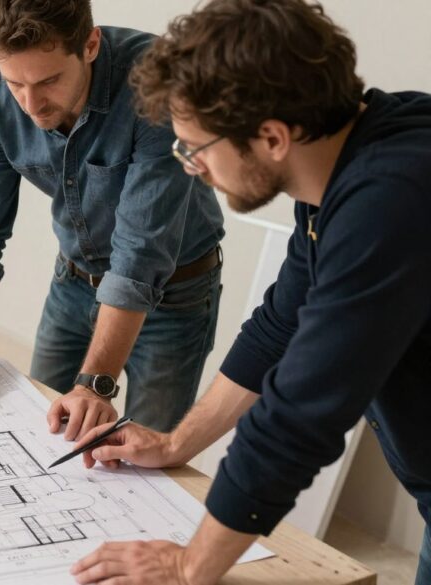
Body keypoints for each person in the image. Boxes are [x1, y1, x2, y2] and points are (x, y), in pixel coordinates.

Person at [67, 1, 431, 583]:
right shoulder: (347, 165)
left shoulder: (389, 200)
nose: (190, 167)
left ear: (271, 136)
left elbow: (300, 414)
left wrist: (191, 566)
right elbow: (280, 327)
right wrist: (175, 443)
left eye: (195, 148)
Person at [0, 0, 225, 437]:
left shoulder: (157, 85)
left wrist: (95, 385)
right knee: (41, 430)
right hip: (73, 283)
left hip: (174, 295)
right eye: (15, 83)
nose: (31, 104)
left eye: (49, 81)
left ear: (91, 44)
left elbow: (140, 256)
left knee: (146, 454)